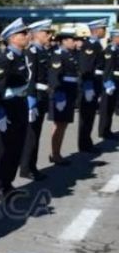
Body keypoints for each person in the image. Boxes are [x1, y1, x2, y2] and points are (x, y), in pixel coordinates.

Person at [0, 18, 31, 201]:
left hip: (19, 105)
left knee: (16, 146)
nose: (27, 36)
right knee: (3, 147)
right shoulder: (6, 58)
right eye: (23, 34)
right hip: (6, 108)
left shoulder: (21, 55)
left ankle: (8, 183)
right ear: (13, 38)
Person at [20, 19, 54, 180]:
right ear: (36, 34)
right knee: (30, 135)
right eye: (46, 32)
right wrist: (31, 98)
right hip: (34, 97)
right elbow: (30, 79)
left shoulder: (42, 51)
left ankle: (32, 166)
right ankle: (26, 168)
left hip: (42, 97)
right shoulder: (31, 52)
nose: (49, 35)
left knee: (36, 133)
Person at [48, 29, 80, 165]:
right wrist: (58, 94)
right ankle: (55, 154)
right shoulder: (58, 54)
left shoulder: (69, 54)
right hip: (62, 94)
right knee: (59, 125)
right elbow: (54, 76)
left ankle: (57, 153)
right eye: (72, 40)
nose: (75, 42)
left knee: (63, 125)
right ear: (64, 41)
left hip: (69, 93)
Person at [78, 19, 106, 153]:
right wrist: (88, 86)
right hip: (89, 85)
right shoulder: (89, 45)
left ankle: (87, 141)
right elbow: (86, 67)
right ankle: (84, 144)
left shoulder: (97, 45)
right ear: (96, 30)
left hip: (95, 83)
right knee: (86, 116)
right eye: (102, 28)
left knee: (90, 116)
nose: (104, 31)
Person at [102, 29, 119, 137]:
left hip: (116, 81)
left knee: (111, 107)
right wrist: (108, 83)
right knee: (106, 108)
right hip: (110, 82)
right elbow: (107, 68)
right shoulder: (110, 50)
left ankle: (107, 130)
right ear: (115, 37)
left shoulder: (116, 49)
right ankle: (103, 131)